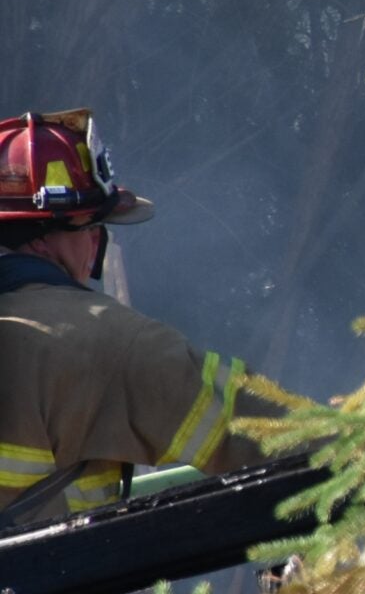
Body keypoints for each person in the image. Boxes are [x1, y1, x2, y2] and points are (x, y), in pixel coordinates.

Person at [0, 111, 265, 524]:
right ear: (77, 232)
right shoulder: (95, 336)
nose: (95, 249)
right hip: (44, 588)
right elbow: (255, 426)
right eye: (98, 230)